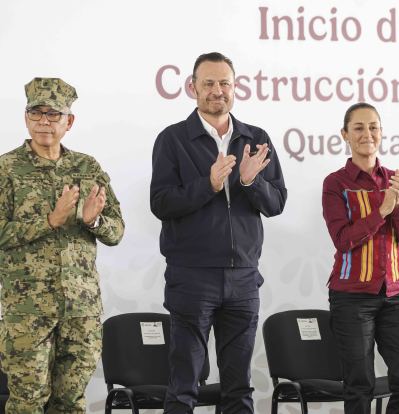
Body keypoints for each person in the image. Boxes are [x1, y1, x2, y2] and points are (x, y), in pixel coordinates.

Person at [150, 52, 287, 414]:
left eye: (224, 83)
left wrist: (250, 181)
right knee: (184, 386)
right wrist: (208, 184)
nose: (217, 90)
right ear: (192, 88)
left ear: (235, 87)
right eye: (208, 83)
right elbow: (161, 203)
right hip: (192, 278)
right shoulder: (173, 139)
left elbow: (276, 204)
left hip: (243, 279)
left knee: (239, 389)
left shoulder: (256, 138)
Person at [0, 77, 125, 414]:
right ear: (26, 117)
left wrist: (93, 222)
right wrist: (49, 220)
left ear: (69, 121)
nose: (44, 121)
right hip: (28, 310)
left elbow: (116, 230)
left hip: (81, 309)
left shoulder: (88, 167)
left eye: (53, 114)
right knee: (27, 402)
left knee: (71, 402)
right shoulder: (6, 168)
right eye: (36, 113)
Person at [322, 102, 399, 414]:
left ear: (381, 133)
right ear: (345, 135)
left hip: (395, 294)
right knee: (359, 386)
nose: (368, 134)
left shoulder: (396, 180)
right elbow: (343, 240)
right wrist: (382, 210)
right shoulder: (336, 183)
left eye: (374, 127)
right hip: (351, 297)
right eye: (359, 128)